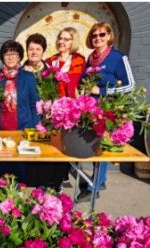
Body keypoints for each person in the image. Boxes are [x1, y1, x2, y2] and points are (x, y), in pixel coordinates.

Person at [85, 22, 135, 194]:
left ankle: (96, 184)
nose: (97, 38)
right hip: (92, 109)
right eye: (94, 35)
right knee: (93, 143)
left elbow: (130, 86)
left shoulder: (118, 58)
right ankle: (99, 178)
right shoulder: (90, 58)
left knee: (103, 144)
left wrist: (102, 90)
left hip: (109, 108)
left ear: (109, 36)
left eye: (102, 34)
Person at [46, 27, 87, 98]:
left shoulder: (79, 61)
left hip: (73, 103)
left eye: (66, 39)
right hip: (54, 104)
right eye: (60, 38)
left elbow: (83, 85)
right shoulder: (50, 61)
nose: (61, 41)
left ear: (73, 42)